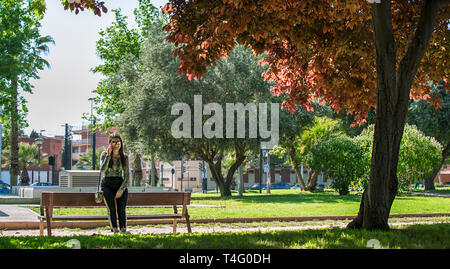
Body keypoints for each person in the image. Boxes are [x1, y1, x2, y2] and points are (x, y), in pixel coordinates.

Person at [99, 134, 130, 234]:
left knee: (121, 208)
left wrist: (121, 189)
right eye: (113, 142)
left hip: (120, 183)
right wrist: (108, 156)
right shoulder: (104, 155)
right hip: (107, 183)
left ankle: (123, 229)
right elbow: (102, 170)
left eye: (118, 141)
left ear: (121, 143)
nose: (116, 144)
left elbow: (127, 176)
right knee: (111, 208)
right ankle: (114, 229)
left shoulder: (124, 157)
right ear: (110, 144)